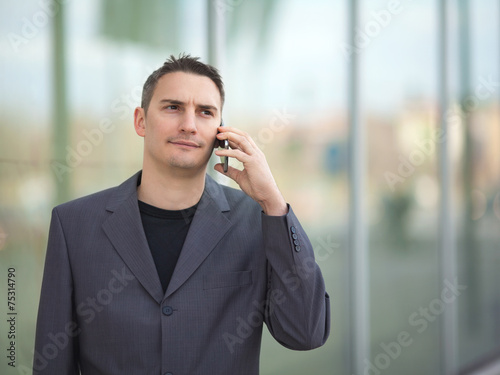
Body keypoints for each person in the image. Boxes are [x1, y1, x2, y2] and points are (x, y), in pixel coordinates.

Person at [33, 54, 330, 375]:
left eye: (205, 112)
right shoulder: (73, 224)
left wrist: (273, 202)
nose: (189, 124)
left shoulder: (258, 220)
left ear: (220, 131)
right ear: (140, 121)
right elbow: (52, 363)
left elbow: (305, 332)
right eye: (173, 107)